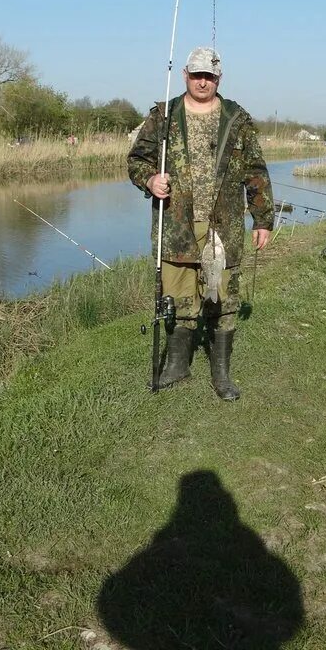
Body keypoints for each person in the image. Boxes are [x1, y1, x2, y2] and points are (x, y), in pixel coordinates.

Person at [127, 46, 274, 401]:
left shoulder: (236, 118)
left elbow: (255, 171)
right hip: (176, 225)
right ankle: (178, 366)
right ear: (185, 76)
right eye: (197, 75)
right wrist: (150, 180)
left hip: (222, 227)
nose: (203, 81)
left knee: (223, 300)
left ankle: (221, 373)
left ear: (218, 77)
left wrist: (262, 218)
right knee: (177, 298)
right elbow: (137, 160)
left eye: (209, 75)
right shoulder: (164, 115)